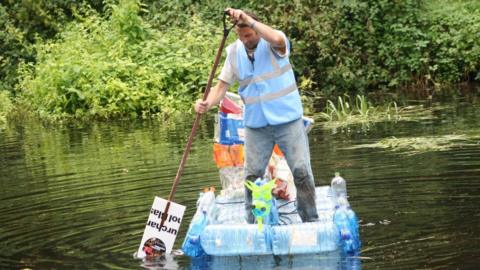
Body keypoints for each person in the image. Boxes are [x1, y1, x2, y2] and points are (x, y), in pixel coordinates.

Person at [194, 8, 318, 223]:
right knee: (252, 176)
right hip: (256, 125)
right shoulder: (234, 52)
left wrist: (249, 20)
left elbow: (277, 38)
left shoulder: (274, 42)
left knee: (301, 170)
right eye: (241, 37)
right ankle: (253, 222)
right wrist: (207, 103)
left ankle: (310, 219)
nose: (245, 40)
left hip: (287, 120)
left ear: (256, 30)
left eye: (249, 35)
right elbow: (221, 87)